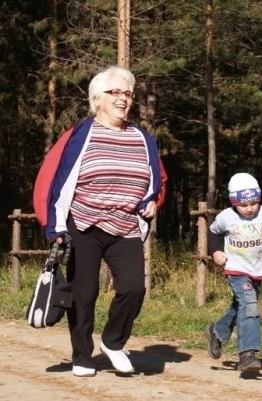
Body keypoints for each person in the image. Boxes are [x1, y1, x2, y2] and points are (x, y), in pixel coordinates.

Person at [33, 66, 167, 377]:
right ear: (97, 99)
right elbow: (53, 179)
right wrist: (54, 225)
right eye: (115, 92)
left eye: (128, 93)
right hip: (84, 224)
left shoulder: (143, 139)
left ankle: (113, 342)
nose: (123, 99)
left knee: (133, 288)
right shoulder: (80, 134)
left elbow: (156, 179)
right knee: (84, 293)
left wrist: (152, 201)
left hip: (125, 225)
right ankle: (82, 356)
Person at [205, 172, 262, 372]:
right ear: (234, 203)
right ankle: (247, 355)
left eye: (253, 203)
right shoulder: (226, 216)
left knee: (241, 305)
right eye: (244, 205)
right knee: (250, 305)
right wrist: (215, 251)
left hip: (257, 269)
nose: (250, 208)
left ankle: (216, 332)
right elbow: (213, 232)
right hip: (236, 269)